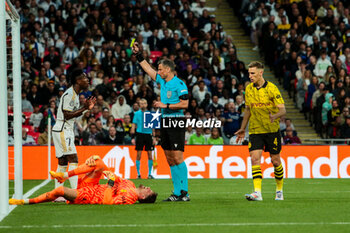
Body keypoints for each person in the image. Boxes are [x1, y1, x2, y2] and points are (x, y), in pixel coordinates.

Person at [132, 42, 190, 202]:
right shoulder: (162, 81)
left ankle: (185, 192)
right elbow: (147, 69)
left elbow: (185, 104)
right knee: (169, 157)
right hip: (165, 121)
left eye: (160, 69)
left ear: (168, 70)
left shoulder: (179, 84)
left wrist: (166, 105)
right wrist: (138, 54)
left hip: (176, 121)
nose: (157, 71)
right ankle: (177, 192)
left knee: (178, 157)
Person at [9, 155, 157, 205]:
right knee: (98, 161)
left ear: (143, 197)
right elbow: (110, 174)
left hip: (89, 196)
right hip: (92, 185)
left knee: (60, 190)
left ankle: (25, 201)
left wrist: (110, 183)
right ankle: (64, 175)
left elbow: (107, 202)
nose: (148, 188)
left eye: (149, 191)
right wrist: (95, 161)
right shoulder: (129, 183)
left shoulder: (130, 197)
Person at [235, 61, 286, 201]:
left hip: (272, 130)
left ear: (260, 73)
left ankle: (279, 190)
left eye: (253, 73)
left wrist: (274, 116)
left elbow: (283, 110)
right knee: (254, 158)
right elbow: (248, 109)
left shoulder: (272, 89)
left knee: (275, 161)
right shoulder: (249, 89)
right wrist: (242, 128)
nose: (250, 76)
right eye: (249, 73)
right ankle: (257, 192)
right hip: (255, 130)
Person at [52, 69, 96, 200]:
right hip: (63, 129)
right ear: (77, 80)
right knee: (73, 159)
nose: (87, 80)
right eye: (84, 77)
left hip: (63, 129)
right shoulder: (70, 95)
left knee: (63, 162)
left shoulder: (75, 95)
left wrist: (86, 108)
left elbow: (72, 114)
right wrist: (84, 108)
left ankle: (57, 193)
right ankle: (76, 193)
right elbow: (66, 114)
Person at [130, 99, 155, 179]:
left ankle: (150, 174)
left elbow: (153, 127)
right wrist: (133, 137)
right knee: (139, 154)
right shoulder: (136, 114)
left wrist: (154, 137)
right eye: (141, 103)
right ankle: (138, 174)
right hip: (140, 134)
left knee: (150, 154)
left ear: (147, 104)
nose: (143, 105)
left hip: (148, 134)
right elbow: (133, 125)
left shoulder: (150, 114)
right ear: (139, 105)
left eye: (144, 103)